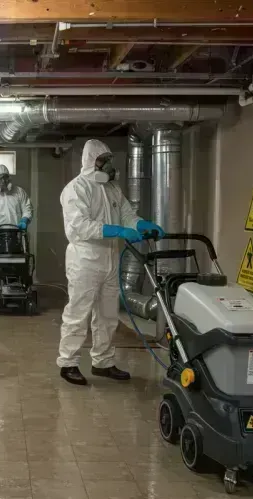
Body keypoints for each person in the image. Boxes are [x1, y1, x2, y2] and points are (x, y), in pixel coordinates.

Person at [57, 139, 164, 386]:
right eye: (103, 160)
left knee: (107, 315)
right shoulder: (76, 189)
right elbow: (79, 226)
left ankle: (102, 362)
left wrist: (139, 224)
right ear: (91, 161)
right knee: (78, 312)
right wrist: (116, 230)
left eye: (109, 160)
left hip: (110, 258)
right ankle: (68, 362)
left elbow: (127, 214)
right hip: (85, 259)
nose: (108, 165)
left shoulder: (113, 189)